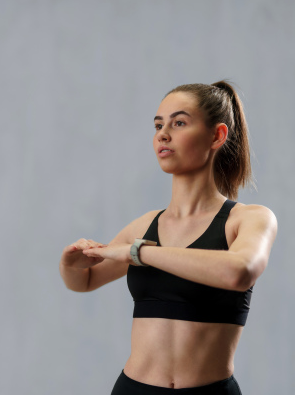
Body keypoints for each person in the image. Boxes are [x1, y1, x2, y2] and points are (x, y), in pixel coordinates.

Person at [59, 80, 278, 394]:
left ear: (217, 135)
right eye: (158, 125)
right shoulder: (145, 225)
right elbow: (86, 280)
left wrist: (139, 254)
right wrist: (71, 264)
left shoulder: (249, 219)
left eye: (179, 123)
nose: (163, 134)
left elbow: (239, 271)